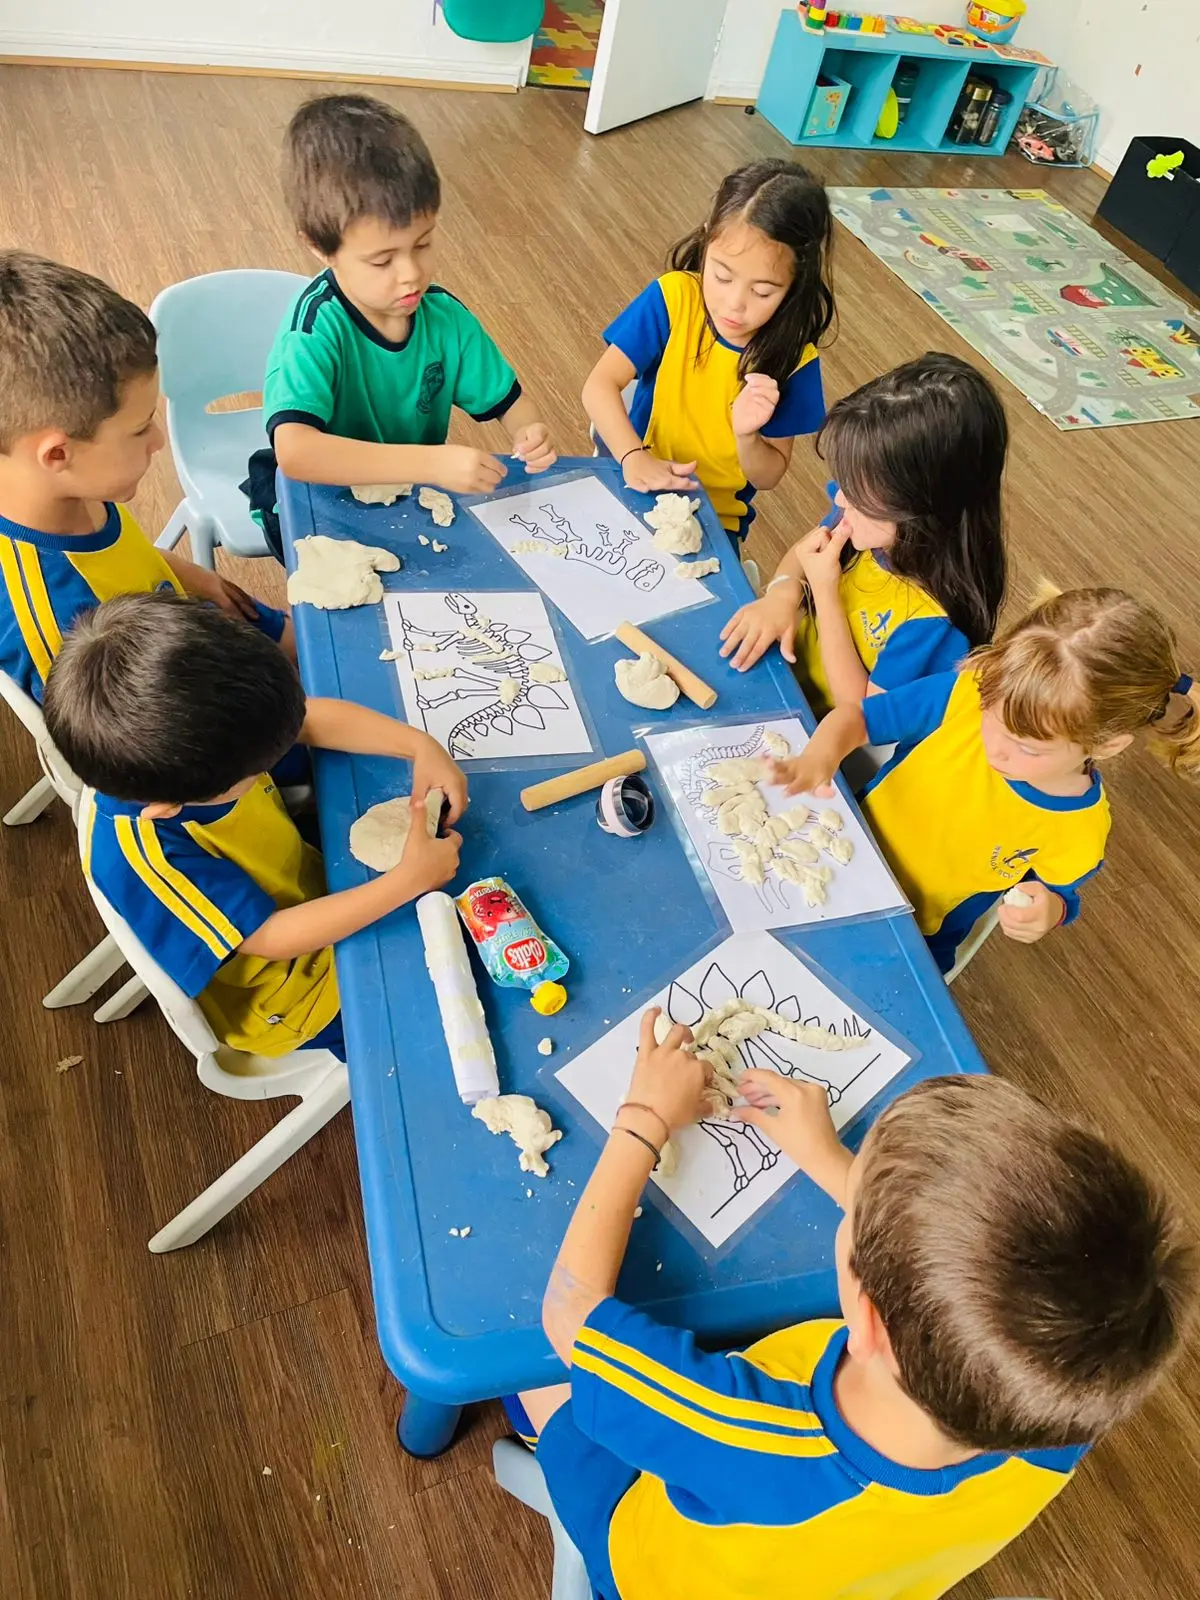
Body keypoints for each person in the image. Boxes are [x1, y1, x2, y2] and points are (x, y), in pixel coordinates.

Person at [514, 1014, 1194, 1600]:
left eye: (856, 1216)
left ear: (865, 1318)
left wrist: (644, 1119)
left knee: (532, 1370)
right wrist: (829, 1157)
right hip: (850, 1570)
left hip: (651, 1565)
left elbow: (569, 1311)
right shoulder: (1068, 1394)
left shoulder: (745, 1434)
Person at [42, 590, 465, 1059]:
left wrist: (420, 747)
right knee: (448, 1010)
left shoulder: (198, 741)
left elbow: (305, 721)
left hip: (309, 888)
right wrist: (409, 880)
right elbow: (269, 937)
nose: (267, 764)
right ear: (168, 806)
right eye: (255, 770)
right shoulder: (148, 854)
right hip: (295, 990)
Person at [769, 587, 1200, 973]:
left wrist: (1046, 911)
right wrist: (821, 754)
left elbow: (1058, 893)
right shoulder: (969, 692)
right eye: (991, 718)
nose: (996, 748)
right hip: (829, 852)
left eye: (1028, 748)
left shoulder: (1078, 828)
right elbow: (859, 718)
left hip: (910, 938)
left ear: (1105, 746)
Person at [247, 94, 558, 559]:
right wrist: (430, 462)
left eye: (423, 244)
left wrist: (529, 432)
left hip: (406, 494)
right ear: (319, 247)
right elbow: (297, 453)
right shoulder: (313, 330)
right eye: (382, 260)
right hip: (312, 502)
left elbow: (511, 403)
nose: (411, 273)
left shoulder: (445, 318)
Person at [0, 250, 291, 706]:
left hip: (188, 626)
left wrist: (190, 576)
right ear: (57, 453)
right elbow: (153, 741)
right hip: (202, 718)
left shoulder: (67, 486)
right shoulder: (58, 630)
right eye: (140, 429)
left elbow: (114, 557)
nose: (158, 440)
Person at [720, 353, 1008, 716]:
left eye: (856, 495)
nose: (841, 500)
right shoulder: (864, 514)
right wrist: (782, 592)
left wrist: (825, 592)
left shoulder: (932, 622)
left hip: (821, 728)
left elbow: (861, 714)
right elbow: (807, 551)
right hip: (781, 681)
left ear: (925, 506)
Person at [582, 159, 834, 549]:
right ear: (706, 239)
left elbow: (768, 476)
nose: (735, 304)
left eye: (762, 291)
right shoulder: (674, 299)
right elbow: (599, 386)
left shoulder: (795, 359)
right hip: (634, 477)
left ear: (797, 280)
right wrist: (633, 456)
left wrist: (747, 436)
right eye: (722, 275)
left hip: (714, 517)